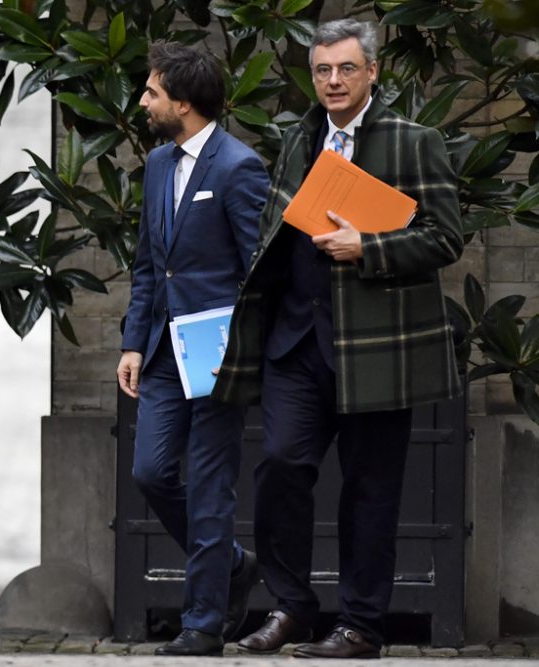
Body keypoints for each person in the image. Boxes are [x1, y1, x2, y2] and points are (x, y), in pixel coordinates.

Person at [212, 19, 463, 659]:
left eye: (346, 69)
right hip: (297, 343)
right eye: (322, 70)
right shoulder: (299, 140)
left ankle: (361, 625)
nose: (332, 81)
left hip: (377, 350)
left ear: (373, 72)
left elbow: (445, 238)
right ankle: (294, 608)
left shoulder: (415, 142)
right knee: (280, 468)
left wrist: (368, 246)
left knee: (371, 491)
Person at [116, 41, 270, 656]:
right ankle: (232, 565)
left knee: (210, 487)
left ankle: (203, 623)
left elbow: (258, 269)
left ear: (182, 101)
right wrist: (133, 341)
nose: (144, 100)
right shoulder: (156, 164)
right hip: (159, 353)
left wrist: (237, 343)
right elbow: (152, 265)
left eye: (152, 91)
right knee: (150, 472)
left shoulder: (239, 167)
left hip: (216, 355)